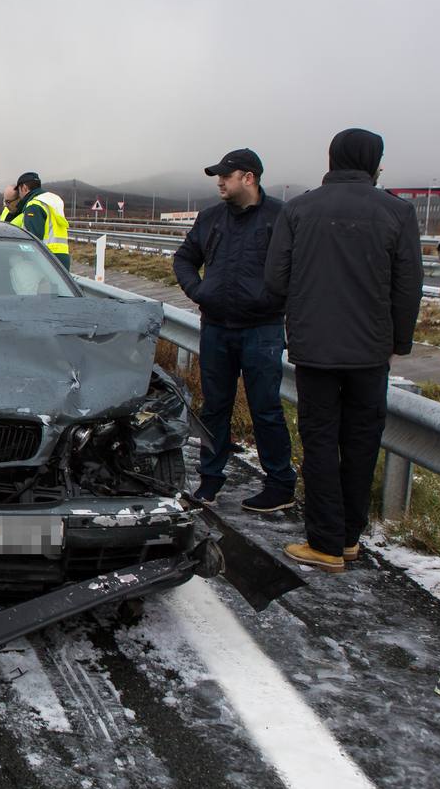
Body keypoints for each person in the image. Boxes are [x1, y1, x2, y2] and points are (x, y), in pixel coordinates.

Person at [265, 128, 423, 573]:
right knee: (361, 442)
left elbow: (276, 280)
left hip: (314, 347)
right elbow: (409, 285)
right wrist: (399, 341)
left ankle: (325, 543)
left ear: (332, 158)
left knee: (319, 442)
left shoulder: (298, 209)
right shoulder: (398, 211)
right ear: (374, 162)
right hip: (372, 352)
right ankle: (349, 539)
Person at [172, 149, 296, 512]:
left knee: (266, 409)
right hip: (216, 328)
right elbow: (184, 258)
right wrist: (199, 291)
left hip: (262, 329)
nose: (219, 182)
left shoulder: (281, 218)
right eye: (218, 176)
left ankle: (279, 484)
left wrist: (276, 299)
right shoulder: (211, 218)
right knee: (214, 407)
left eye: (226, 175)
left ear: (249, 177)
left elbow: (297, 267)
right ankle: (210, 480)